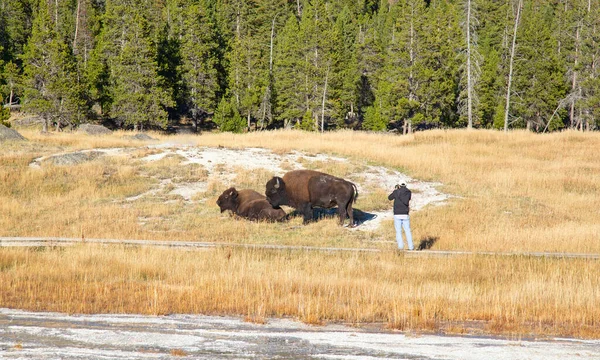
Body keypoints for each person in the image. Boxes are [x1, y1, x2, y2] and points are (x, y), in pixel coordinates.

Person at [388, 183, 414, 251]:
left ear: (399, 185)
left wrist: (396, 190)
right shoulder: (408, 192)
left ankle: (400, 246)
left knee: (398, 231)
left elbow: (389, 198)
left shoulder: (396, 192)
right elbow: (408, 199)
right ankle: (411, 247)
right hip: (405, 213)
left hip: (397, 213)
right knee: (407, 230)